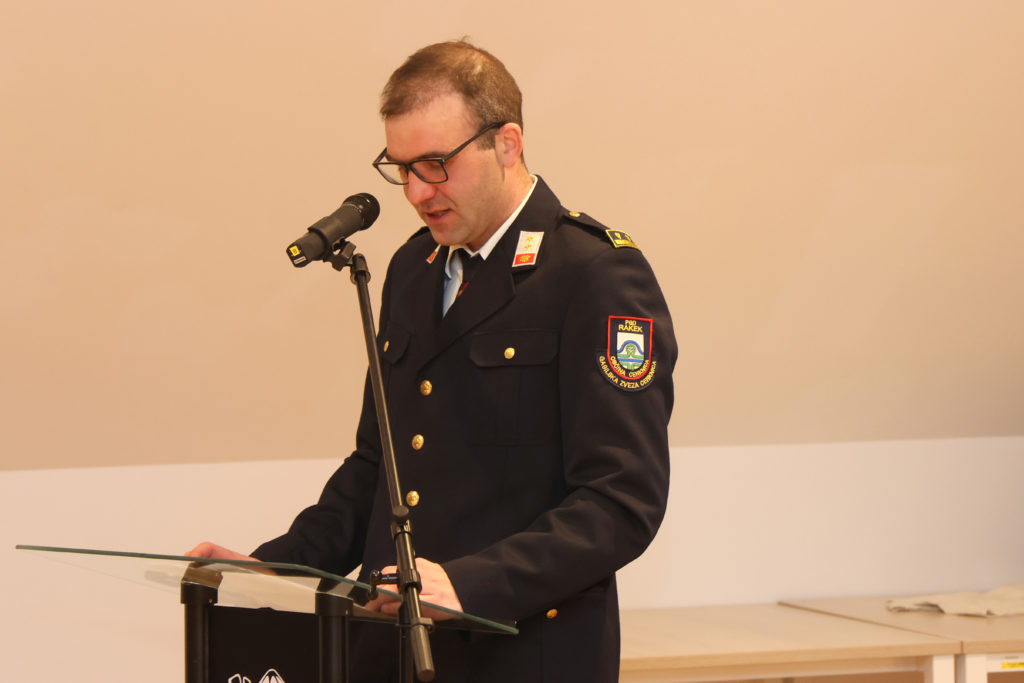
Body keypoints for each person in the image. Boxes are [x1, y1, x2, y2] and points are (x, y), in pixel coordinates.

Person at [190, 39, 676, 683]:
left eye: (436, 165)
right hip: (389, 650)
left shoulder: (592, 272)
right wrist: (278, 566)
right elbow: (378, 468)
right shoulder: (412, 269)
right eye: (402, 169)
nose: (418, 192)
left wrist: (471, 584)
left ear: (507, 143)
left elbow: (621, 500)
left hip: (520, 655)